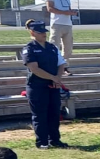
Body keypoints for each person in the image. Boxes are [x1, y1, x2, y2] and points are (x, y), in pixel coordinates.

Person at [22, 20, 69, 149]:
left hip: (53, 86)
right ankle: (42, 141)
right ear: (32, 33)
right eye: (40, 32)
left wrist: (57, 79)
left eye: (44, 31)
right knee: (40, 114)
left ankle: (55, 139)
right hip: (37, 86)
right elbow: (34, 68)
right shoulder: (29, 48)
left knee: (54, 113)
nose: (44, 34)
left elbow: (61, 64)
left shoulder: (52, 47)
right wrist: (53, 78)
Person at [45, 0, 75, 75]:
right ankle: (53, 66)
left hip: (67, 24)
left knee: (68, 48)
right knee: (54, 46)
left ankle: (65, 67)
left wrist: (71, 13)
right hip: (57, 23)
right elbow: (50, 8)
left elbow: (68, 9)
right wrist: (64, 12)